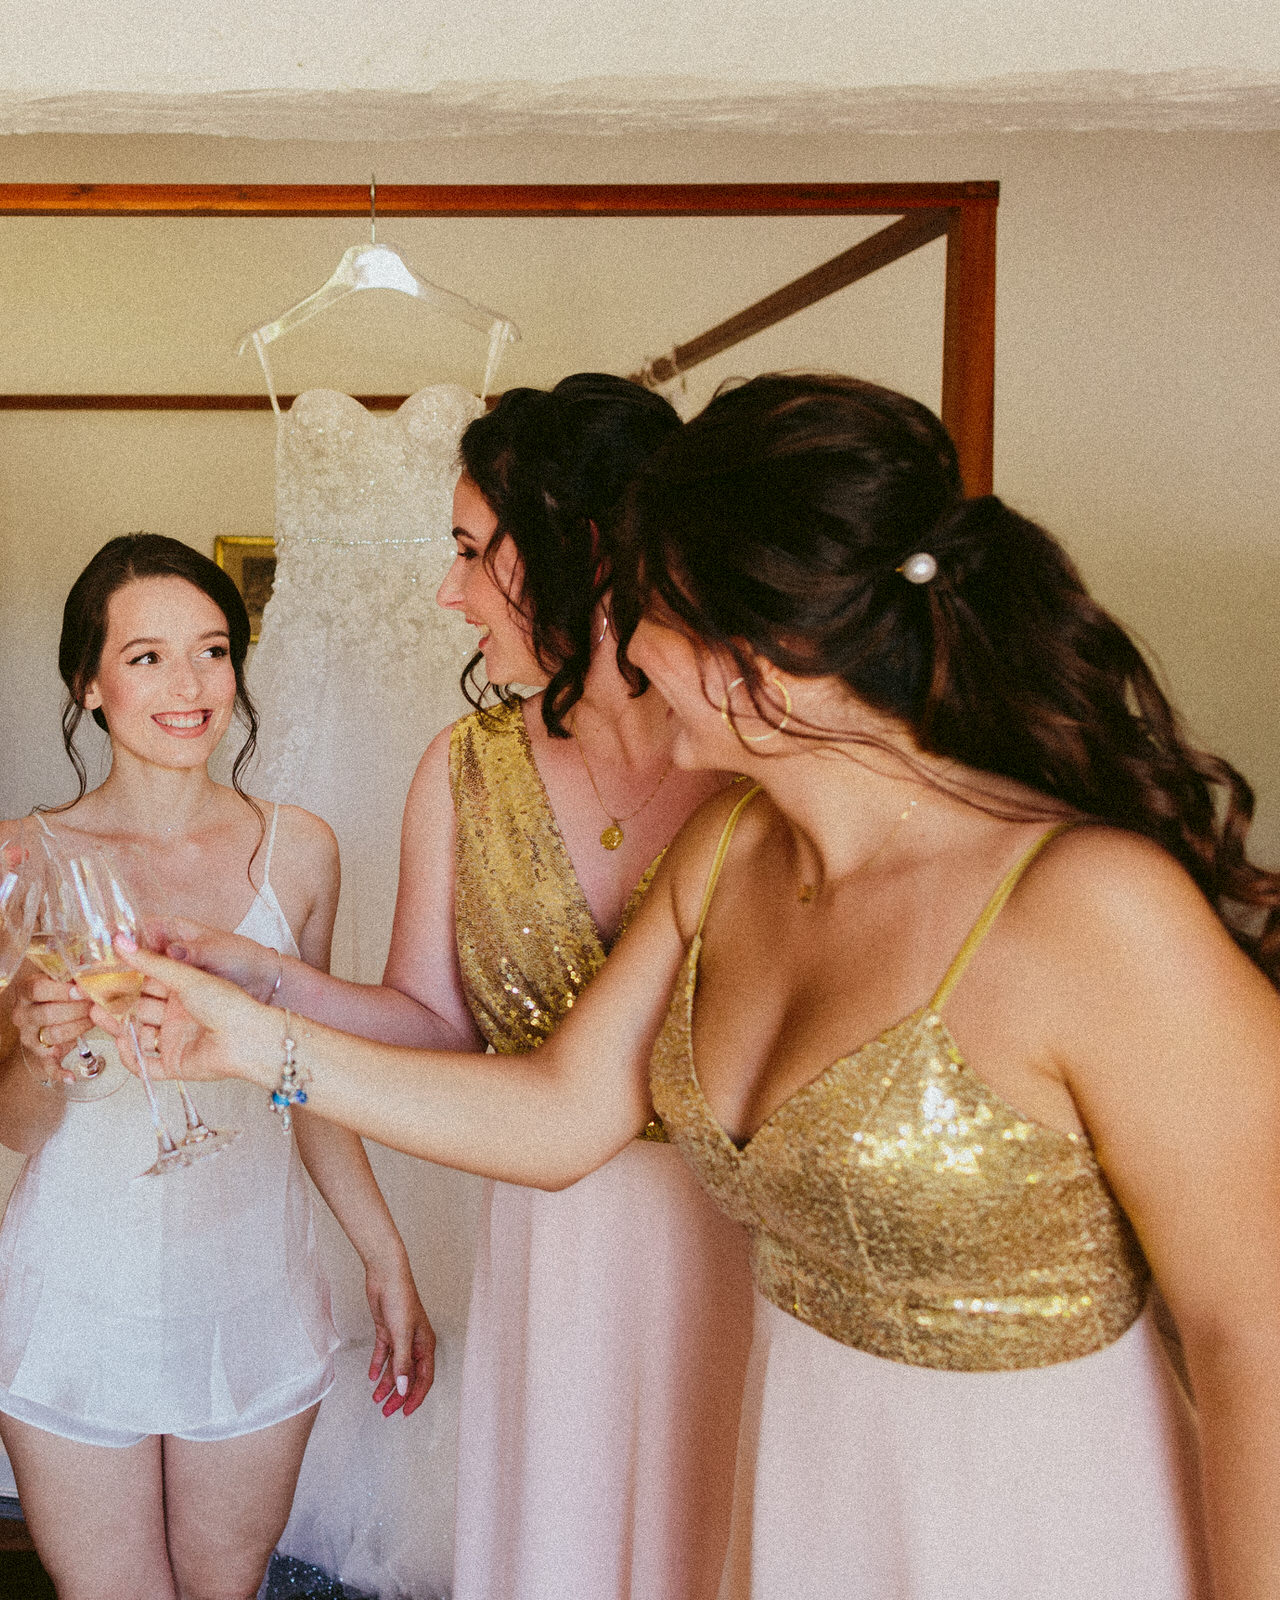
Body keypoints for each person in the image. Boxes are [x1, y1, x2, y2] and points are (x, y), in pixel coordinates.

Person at [125, 373, 1280, 1600]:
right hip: (792, 1505)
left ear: (752, 653)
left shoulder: (1094, 905)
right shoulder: (730, 854)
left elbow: (1254, 1332)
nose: (621, 634)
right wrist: (247, 1039)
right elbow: (560, 1116)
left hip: (1024, 1526)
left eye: (648, 601)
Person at [159, 375, 754, 1598]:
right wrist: (255, 970)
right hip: (555, 1246)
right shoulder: (465, 766)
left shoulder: (755, 766)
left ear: (580, 548)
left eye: (476, 552)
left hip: (741, 1238)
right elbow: (431, 1019)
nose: (448, 590)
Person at [0, 534, 435, 1600]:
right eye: (145, 658)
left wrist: (384, 1255)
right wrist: (47, 1054)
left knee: (224, 1587)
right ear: (87, 686)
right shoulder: (24, 856)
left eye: (213, 650)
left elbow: (310, 1080)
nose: (188, 686)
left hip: (253, 1285)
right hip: (77, 1289)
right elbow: (8, 1119)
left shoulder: (301, 852)